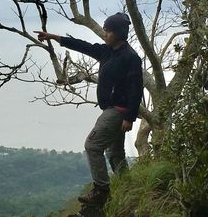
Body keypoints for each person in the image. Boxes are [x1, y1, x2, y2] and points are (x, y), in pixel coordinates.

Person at [34, 12, 143, 206]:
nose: (105, 33)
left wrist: (129, 117)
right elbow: (83, 46)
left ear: (118, 32)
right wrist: (53, 37)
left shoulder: (130, 58)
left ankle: (101, 191)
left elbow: (136, 89)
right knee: (115, 153)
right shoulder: (107, 51)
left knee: (92, 146)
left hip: (117, 111)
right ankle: (130, 188)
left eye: (108, 30)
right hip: (112, 109)